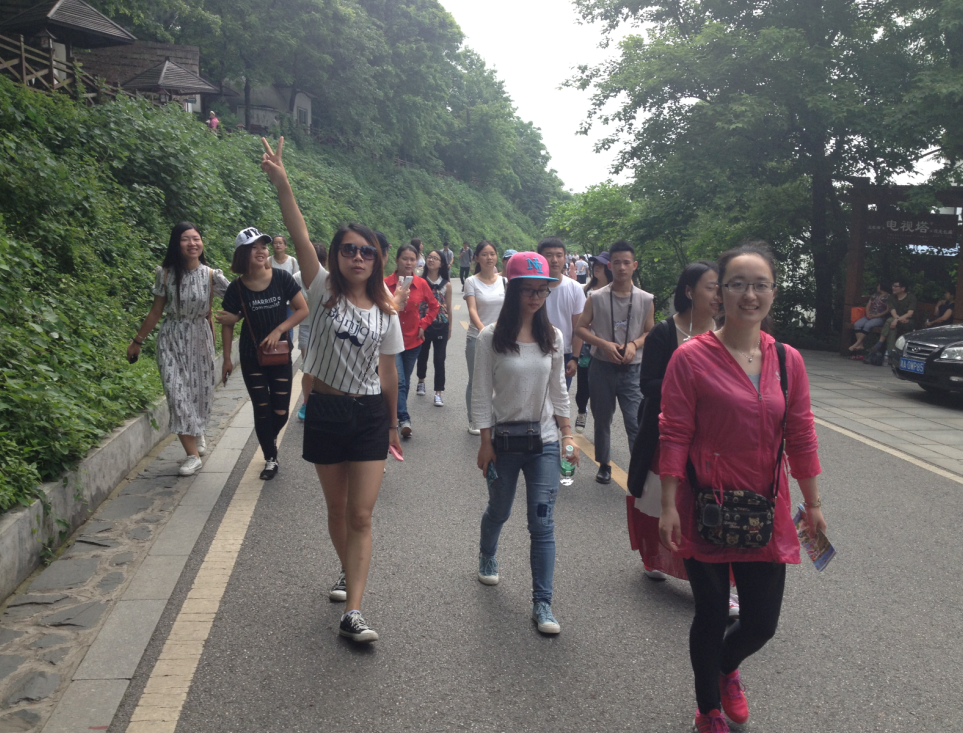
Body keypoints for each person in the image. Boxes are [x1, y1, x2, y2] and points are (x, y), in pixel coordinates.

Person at [658, 241, 825, 732]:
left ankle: (726, 667)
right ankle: (708, 706)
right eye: (737, 284)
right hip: (704, 504)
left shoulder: (788, 360)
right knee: (711, 613)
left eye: (760, 285)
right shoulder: (691, 358)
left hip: (766, 508)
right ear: (719, 293)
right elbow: (674, 432)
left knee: (761, 624)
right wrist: (667, 503)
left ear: (773, 292)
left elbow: (801, 433)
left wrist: (813, 504)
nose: (749, 295)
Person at [261, 136, 404, 643]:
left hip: (368, 416)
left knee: (361, 514)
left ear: (377, 259)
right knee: (337, 509)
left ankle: (354, 612)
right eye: (349, 250)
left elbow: (389, 374)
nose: (358, 257)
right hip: (324, 410)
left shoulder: (386, 312)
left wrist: (393, 425)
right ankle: (346, 568)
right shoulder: (321, 287)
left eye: (367, 252)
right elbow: (299, 233)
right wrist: (283, 183)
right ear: (337, 255)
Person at [626, 262, 741, 617]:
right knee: (664, 501)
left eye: (721, 288)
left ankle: (717, 585)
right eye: (711, 287)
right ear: (689, 291)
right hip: (668, 435)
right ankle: (656, 557)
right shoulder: (664, 333)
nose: (718, 295)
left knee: (712, 506)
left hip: (715, 440)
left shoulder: (729, 333)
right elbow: (648, 385)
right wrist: (691, 388)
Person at [472, 251, 578, 635]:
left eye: (542, 290)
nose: (536, 297)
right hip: (503, 441)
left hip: (544, 440)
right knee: (499, 510)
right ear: (513, 290)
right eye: (528, 290)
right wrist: (485, 442)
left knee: (542, 523)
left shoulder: (554, 337)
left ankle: (542, 603)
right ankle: (487, 554)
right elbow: (481, 394)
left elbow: (560, 390)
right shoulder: (491, 337)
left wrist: (567, 435)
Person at [128, 222, 230, 476]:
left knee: (199, 392)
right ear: (177, 243)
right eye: (186, 239)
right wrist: (137, 341)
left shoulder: (211, 275)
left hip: (200, 339)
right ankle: (192, 456)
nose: (192, 243)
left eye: (196, 238)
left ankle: (197, 431)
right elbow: (156, 311)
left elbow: (238, 298)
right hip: (171, 339)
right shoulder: (165, 274)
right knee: (176, 394)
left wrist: (235, 317)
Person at [219, 227, 308, 480]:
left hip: (279, 355)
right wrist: (227, 359)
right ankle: (270, 457)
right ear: (242, 253)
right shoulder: (236, 288)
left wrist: (279, 330)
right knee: (261, 408)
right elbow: (227, 323)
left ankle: (268, 437)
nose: (261, 251)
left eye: (263, 246)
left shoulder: (282, 278)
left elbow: (302, 309)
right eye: (253, 247)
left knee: (280, 412)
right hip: (251, 356)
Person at [575, 241, 654, 484]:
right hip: (601, 366)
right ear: (609, 266)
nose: (621, 267)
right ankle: (604, 464)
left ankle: (639, 470)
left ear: (634, 265)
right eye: (616, 263)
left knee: (635, 421)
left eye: (626, 262)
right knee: (602, 419)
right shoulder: (596, 297)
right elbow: (580, 328)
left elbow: (649, 331)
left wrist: (634, 344)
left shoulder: (645, 299)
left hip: (633, 368)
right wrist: (604, 344)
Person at [384, 243, 439, 437]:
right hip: (390, 341)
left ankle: (393, 417)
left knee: (405, 382)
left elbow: (434, 306)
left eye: (412, 259)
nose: (408, 263)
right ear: (397, 260)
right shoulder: (384, 284)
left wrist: (423, 325)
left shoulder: (421, 284)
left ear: (417, 262)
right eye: (405, 258)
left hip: (412, 341)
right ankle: (403, 418)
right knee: (398, 381)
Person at [464, 240, 507, 434]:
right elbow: (472, 310)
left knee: (502, 380)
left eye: (492, 254)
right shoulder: (471, 281)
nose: (489, 257)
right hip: (477, 337)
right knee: (476, 381)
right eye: (484, 254)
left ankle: (498, 417)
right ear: (476, 258)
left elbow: (509, 309)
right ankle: (474, 420)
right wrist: (484, 331)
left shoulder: (505, 282)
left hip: (502, 338)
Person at [538, 238, 585, 391]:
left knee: (560, 399)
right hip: (536, 351)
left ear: (565, 258)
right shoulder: (533, 287)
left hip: (564, 354)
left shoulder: (575, 288)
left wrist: (575, 358)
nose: (554, 260)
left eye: (559, 255)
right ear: (540, 258)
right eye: (549, 255)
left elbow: (578, 327)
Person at [574, 252, 611, 434]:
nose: (597, 267)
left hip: (607, 345)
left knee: (602, 388)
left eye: (601, 265)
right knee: (583, 385)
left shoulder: (616, 291)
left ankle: (601, 422)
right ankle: (582, 410)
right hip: (586, 345)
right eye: (595, 264)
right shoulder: (585, 290)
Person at [415, 249, 453, 406]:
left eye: (435, 258)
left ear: (441, 263)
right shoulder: (419, 281)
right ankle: (421, 381)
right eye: (429, 257)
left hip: (441, 325)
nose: (431, 260)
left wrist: (450, 327)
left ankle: (438, 392)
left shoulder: (446, 285)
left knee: (439, 359)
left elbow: (448, 308)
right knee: (422, 355)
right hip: (423, 325)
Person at [295, 242, 328, 421]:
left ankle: (323, 401)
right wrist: (308, 302)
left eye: (321, 262)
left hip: (326, 328)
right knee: (309, 369)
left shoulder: (329, 279)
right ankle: (307, 402)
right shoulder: (296, 278)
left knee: (325, 369)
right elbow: (293, 307)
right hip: (307, 327)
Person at [869, 278, 917, 360]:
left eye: (895, 286)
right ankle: (890, 356)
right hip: (895, 322)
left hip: (908, 321)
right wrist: (897, 320)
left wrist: (896, 320)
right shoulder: (891, 298)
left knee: (890, 321)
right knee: (892, 328)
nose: (893, 288)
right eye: (893, 286)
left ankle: (880, 343)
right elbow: (893, 312)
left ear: (903, 288)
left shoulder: (911, 297)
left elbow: (910, 313)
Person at [848, 283, 890, 354]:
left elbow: (888, 310)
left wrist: (876, 315)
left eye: (878, 285)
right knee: (857, 324)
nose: (877, 287)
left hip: (880, 317)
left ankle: (856, 344)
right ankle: (860, 345)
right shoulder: (874, 295)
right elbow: (868, 305)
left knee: (868, 325)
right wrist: (867, 314)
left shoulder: (888, 297)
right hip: (869, 315)